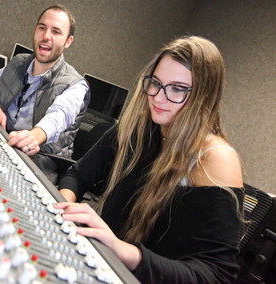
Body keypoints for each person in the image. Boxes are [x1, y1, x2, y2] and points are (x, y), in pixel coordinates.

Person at [57, 36, 244, 283]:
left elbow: (216, 275)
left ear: (204, 96)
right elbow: (78, 175)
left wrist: (123, 251)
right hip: (104, 268)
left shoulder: (215, 159)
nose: (157, 97)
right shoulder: (136, 129)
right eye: (155, 83)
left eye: (177, 88)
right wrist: (61, 209)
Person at [0, 5, 90, 183]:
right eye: (42, 28)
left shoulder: (77, 85)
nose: (46, 36)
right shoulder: (17, 63)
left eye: (56, 32)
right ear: (35, 30)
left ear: (68, 41)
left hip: (37, 167)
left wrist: (35, 136)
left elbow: (59, 116)